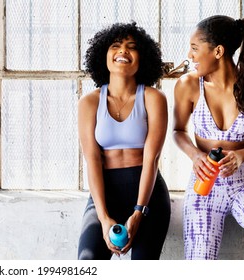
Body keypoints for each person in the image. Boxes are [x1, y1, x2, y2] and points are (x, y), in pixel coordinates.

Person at [172, 15, 244, 260]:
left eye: (194, 48)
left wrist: (242, 156)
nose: (190, 55)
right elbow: (178, 131)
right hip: (205, 181)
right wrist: (195, 155)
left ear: (218, 51)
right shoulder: (188, 85)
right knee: (198, 257)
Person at [77, 22, 170, 260]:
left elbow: (152, 159)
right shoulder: (89, 103)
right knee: (87, 262)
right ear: (103, 55)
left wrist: (139, 212)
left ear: (143, 57)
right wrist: (104, 217)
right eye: (115, 46)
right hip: (105, 194)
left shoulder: (153, 98)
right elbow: (93, 160)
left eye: (131, 47)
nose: (122, 51)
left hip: (147, 195)